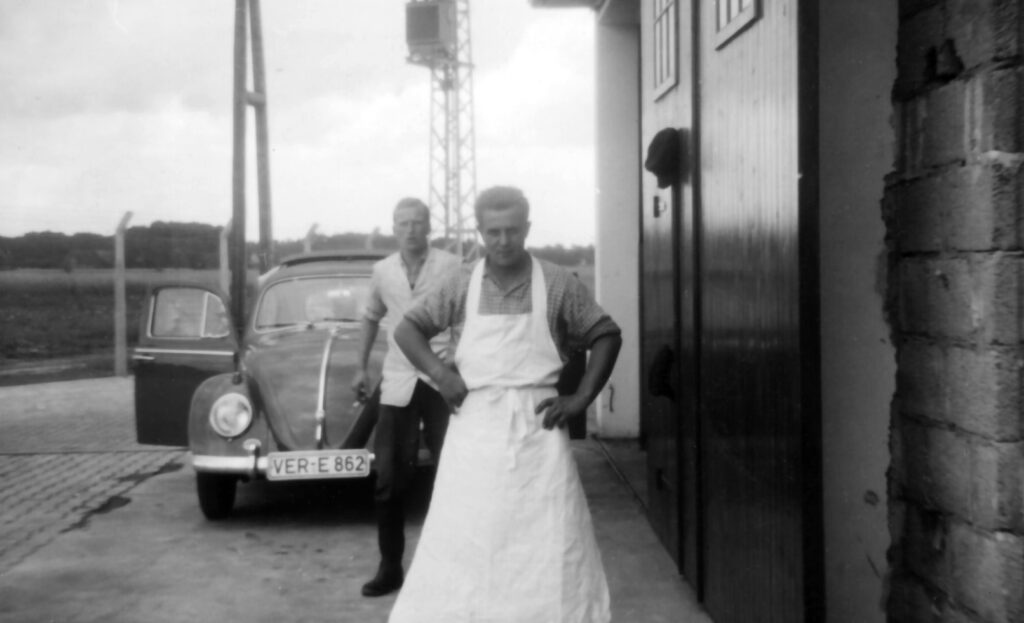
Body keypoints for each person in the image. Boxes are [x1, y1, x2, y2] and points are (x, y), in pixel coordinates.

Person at [388, 186, 622, 622]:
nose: (502, 241)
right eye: (493, 232)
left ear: (527, 228)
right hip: (475, 427)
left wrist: (582, 398)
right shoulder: (461, 282)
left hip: (539, 431)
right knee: (469, 534)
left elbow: (606, 333)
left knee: (549, 537)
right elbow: (407, 330)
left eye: (512, 230)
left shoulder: (557, 282)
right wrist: (440, 375)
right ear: (480, 231)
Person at [351, 197, 460, 597]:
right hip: (398, 378)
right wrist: (360, 367)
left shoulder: (451, 265)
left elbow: (467, 317)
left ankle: (454, 569)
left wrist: (458, 362)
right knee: (389, 478)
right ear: (393, 228)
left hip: (440, 377)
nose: (411, 229)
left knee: (453, 473)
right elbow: (370, 317)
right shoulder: (382, 270)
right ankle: (390, 567)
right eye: (403, 223)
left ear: (429, 227)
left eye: (417, 222)